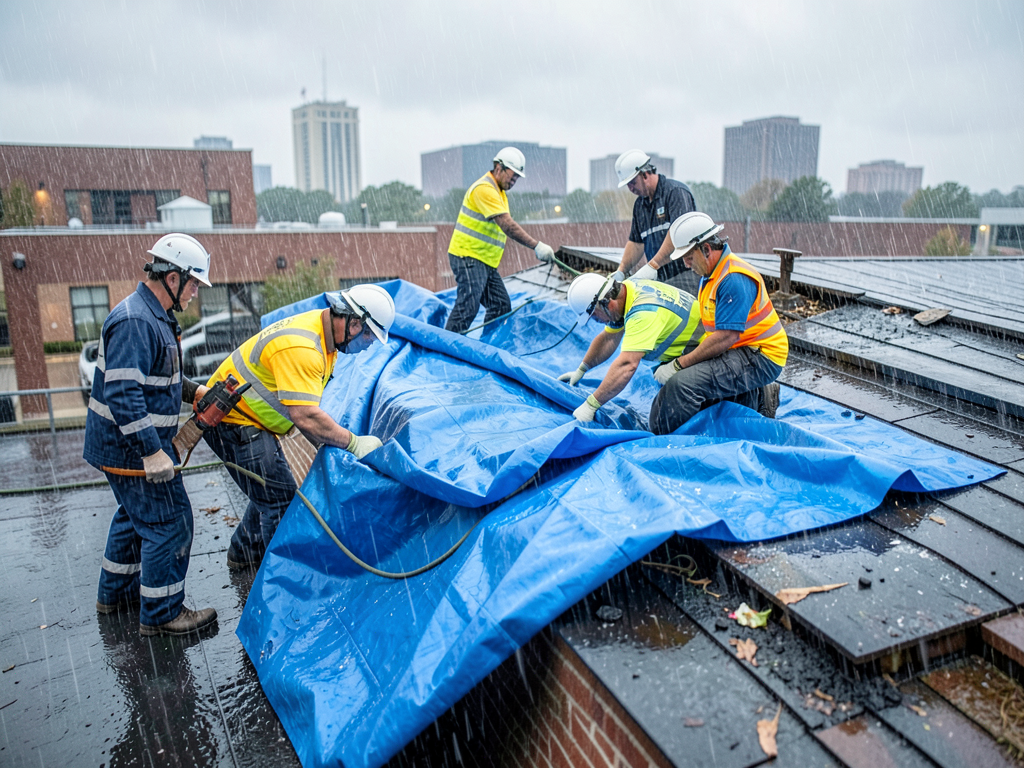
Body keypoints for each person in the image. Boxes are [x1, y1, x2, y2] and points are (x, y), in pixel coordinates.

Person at [201, 284, 396, 570]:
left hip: (244, 417)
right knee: (279, 500)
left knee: (268, 488)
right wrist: (353, 442)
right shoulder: (303, 347)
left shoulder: (324, 333)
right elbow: (304, 416)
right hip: (232, 422)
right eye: (368, 334)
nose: (368, 343)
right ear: (353, 322)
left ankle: (242, 553)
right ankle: (281, 579)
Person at [85, 233, 218, 637]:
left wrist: (194, 391)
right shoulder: (136, 321)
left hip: (121, 449)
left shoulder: (152, 316)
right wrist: (151, 453)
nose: (196, 292)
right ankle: (162, 615)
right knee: (170, 522)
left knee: (134, 518)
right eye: (194, 283)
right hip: (130, 451)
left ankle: (115, 595)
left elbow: (157, 378)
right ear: (172, 277)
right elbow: (123, 392)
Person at [646, 212, 787, 434]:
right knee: (690, 371)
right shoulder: (712, 272)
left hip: (759, 356)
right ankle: (757, 396)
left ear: (706, 249)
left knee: (682, 385)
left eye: (689, 257)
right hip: (739, 349)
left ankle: (664, 438)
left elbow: (725, 337)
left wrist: (680, 365)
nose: (686, 264)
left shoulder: (733, 278)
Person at [558, 273, 705, 422]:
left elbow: (626, 366)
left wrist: (591, 404)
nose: (598, 322)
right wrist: (582, 368)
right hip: (693, 345)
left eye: (595, 316)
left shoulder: (643, 314)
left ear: (605, 304)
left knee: (663, 423)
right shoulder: (628, 289)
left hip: (705, 354)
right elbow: (608, 338)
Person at [444, 147, 557, 334]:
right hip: (468, 256)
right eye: (512, 176)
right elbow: (507, 225)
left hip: (484, 262)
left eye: (516, 179)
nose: (514, 181)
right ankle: (445, 348)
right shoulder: (484, 189)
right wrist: (536, 245)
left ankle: (487, 348)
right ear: (499, 168)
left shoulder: (499, 191)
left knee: (500, 306)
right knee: (468, 307)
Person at [611, 149, 700, 296]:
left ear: (645, 174)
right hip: (661, 279)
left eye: (633, 182)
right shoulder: (640, 206)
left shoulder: (675, 193)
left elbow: (679, 235)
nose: (630, 188)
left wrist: (652, 265)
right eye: (628, 185)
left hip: (687, 275)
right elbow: (636, 243)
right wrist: (621, 271)